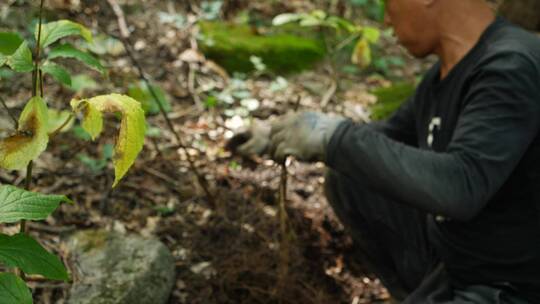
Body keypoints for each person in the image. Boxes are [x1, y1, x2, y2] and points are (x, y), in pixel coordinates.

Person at [229, 0, 540, 303]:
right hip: (456, 265)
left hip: (513, 285)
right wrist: (281, 133)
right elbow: (384, 139)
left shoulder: (510, 66)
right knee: (351, 175)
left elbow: (461, 185)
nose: (387, 21)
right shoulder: (444, 75)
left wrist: (332, 137)